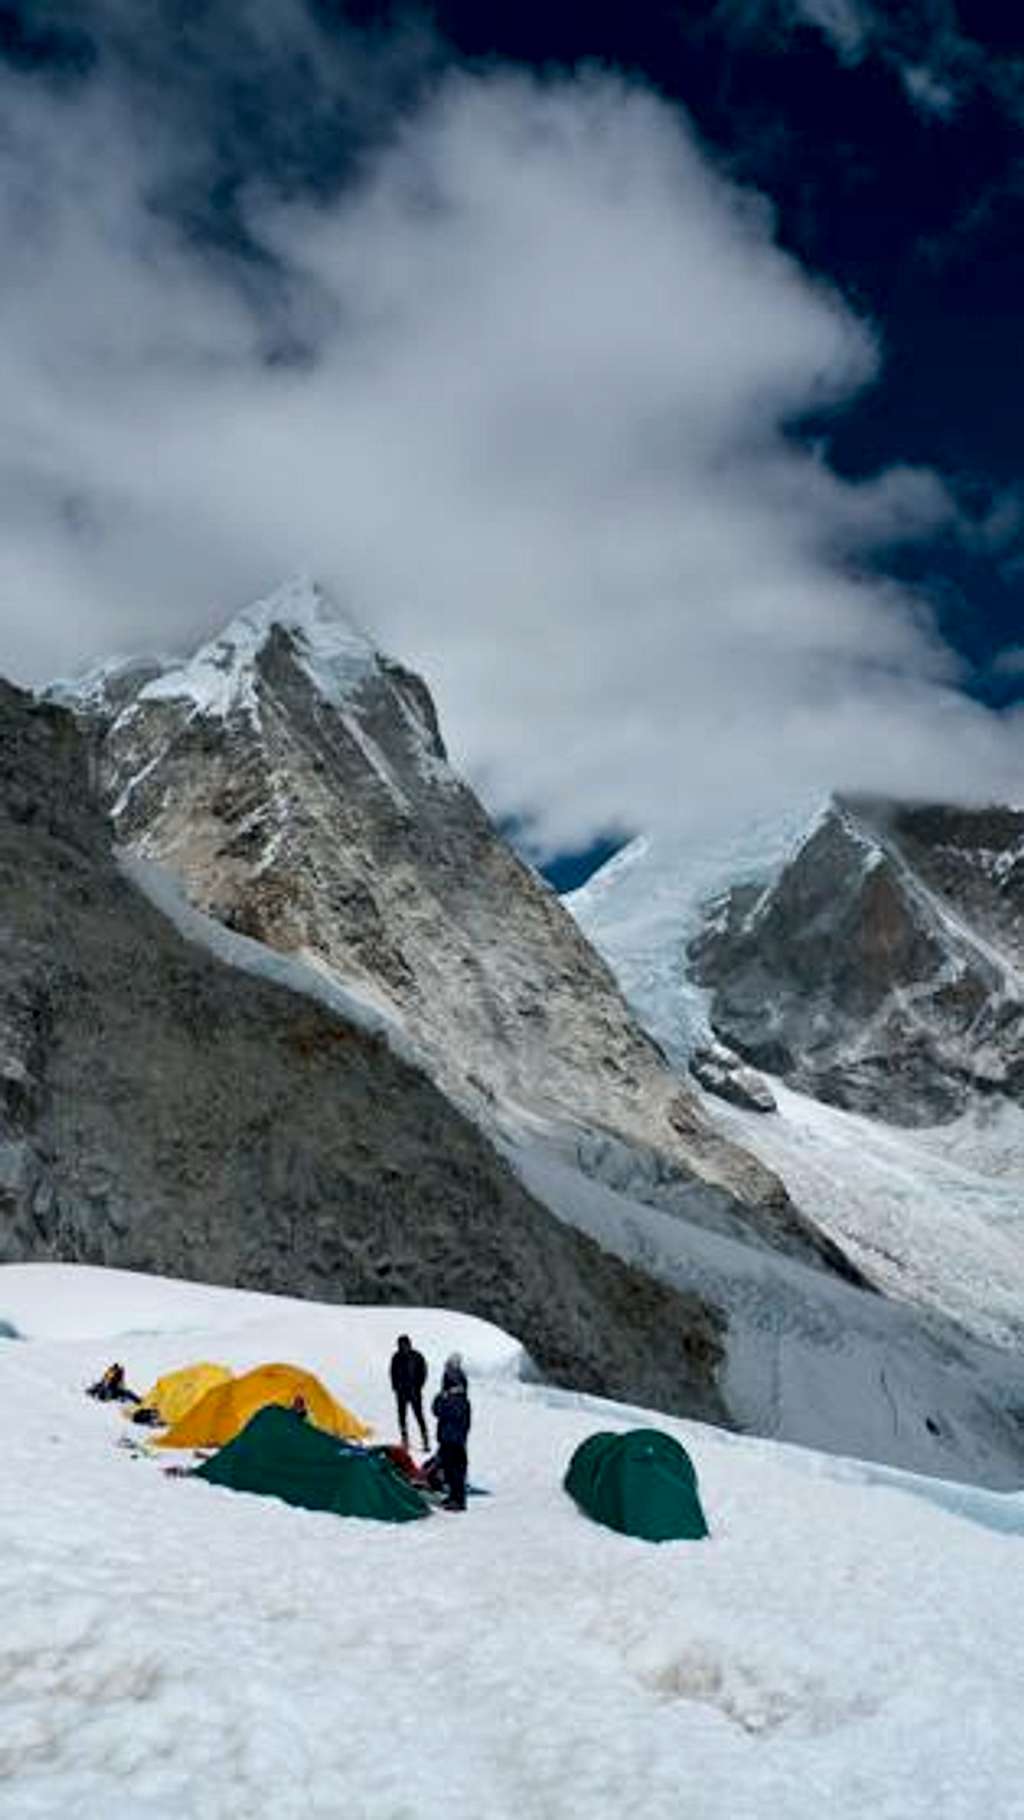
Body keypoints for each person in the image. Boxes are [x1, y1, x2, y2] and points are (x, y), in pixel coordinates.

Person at [432, 1362, 471, 1512]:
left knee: (456, 1472)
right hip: (447, 1439)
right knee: (449, 1470)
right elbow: (436, 1409)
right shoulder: (453, 1397)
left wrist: (443, 1398)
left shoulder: (459, 1401)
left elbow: (441, 1410)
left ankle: (459, 1501)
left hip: (455, 1441)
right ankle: (453, 1497)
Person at [389, 1334, 429, 1451]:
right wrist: (395, 1387)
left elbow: (423, 1371)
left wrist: (419, 1386)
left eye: (404, 1344)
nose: (402, 1347)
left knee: (419, 1416)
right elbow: (392, 1372)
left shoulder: (417, 1356)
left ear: (409, 1344)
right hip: (401, 1392)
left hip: (414, 1392)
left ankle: (425, 1440)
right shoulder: (396, 1357)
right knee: (402, 1416)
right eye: (400, 1344)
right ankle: (405, 1439)